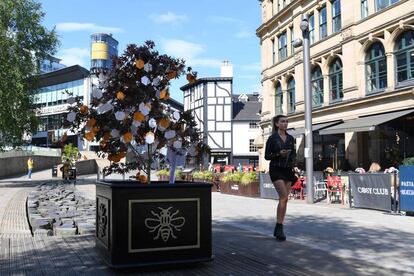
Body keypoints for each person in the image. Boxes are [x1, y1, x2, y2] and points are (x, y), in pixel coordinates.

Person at [264, 115, 296, 241]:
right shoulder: (272, 138)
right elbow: (267, 156)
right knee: (283, 197)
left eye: (287, 121)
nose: (285, 123)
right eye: (283, 121)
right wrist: (279, 154)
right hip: (276, 169)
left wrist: (294, 166)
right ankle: (279, 226)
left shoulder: (291, 138)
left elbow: (293, 154)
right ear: (277, 124)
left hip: (288, 170)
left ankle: (279, 225)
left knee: (285, 200)